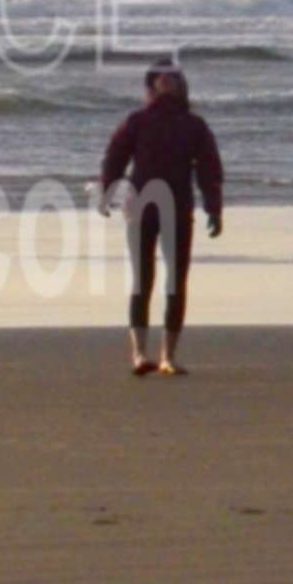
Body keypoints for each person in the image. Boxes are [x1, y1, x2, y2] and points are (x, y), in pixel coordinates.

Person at [99, 60, 224, 377]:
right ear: (151, 84)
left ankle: (168, 356)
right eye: (160, 77)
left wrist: (214, 208)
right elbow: (115, 158)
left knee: (175, 282)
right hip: (140, 207)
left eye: (172, 76)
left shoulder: (195, 125)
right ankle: (140, 354)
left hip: (178, 209)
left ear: (181, 84)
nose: (166, 80)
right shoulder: (136, 121)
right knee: (143, 279)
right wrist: (105, 192)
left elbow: (209, 170)